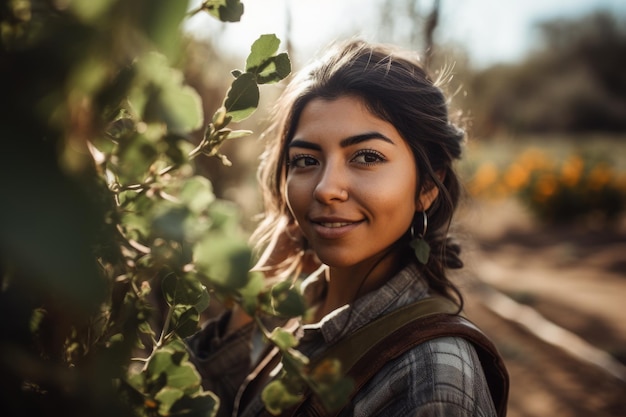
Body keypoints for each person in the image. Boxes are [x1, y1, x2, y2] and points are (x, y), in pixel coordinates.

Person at [186, 39, 509, 417]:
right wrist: (255, 293)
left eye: (366, 157)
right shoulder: (298, 317)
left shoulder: (433, 377)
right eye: (305, 160)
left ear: (426, 186)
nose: (325, 189)